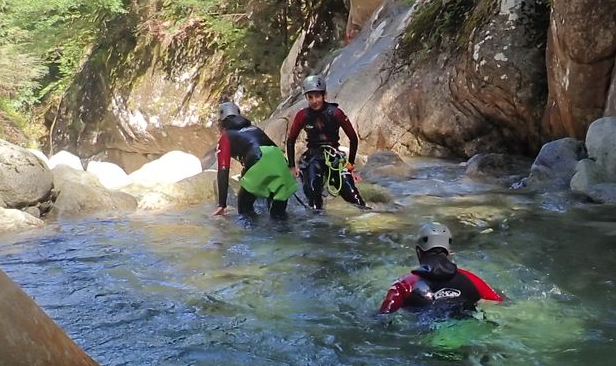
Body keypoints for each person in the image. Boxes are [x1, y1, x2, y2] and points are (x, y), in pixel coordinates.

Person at [378, 222, 504, 315]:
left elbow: (383, 316)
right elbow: (499, 302)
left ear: (418, 251)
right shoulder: (471, 279)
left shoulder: (405, 284)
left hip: (429, 335)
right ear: (449, 252)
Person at [285, 74, 368, 212]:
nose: (314, 101)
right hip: (313, 157)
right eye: (310, 97)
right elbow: (291, 140)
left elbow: (353, 138)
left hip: (334, 156)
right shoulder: (302, 116)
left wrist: (350, 166)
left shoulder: (336, 113)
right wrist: (292, 167)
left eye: (317, 96)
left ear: (324, 95)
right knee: (313, 195)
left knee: (354, 197)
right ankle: (319, 225)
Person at [213, 100, 297, 221]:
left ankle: (254, 237)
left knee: (244, 210)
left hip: (259, 162)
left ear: (220, 123)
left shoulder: (226, 137)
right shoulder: (254, 129)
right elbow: (272, 150)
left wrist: (222, 204)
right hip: (280, 162)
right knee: (279, 218)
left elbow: (223, 169)